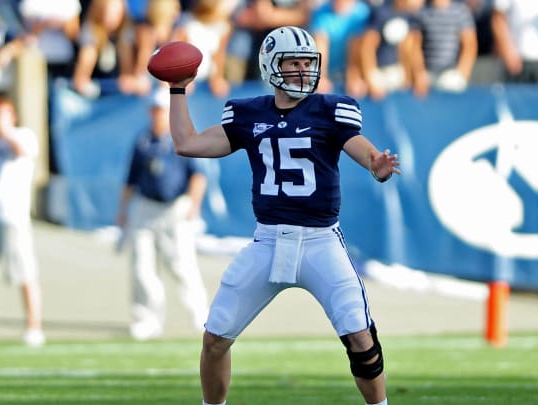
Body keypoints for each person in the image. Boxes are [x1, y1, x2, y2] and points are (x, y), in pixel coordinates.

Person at [166, 26, 400, 405]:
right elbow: (187, 143)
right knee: (214, 339)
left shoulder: (330, 110)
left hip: (321, 241)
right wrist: (177, 90)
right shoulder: (248, 113)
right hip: (268, 241)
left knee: (360, 337)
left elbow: (362, 150)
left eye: (308, 62)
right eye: (294, 62)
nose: (303, 70)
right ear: (270, 65)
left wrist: (377, 164)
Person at [116, 89, 209, 341]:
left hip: (174, 208)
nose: (157, 115)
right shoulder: (142, 141)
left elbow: (198, 174)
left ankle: (201, 318)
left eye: (161, 110)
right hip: (145, 208)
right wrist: (123, 210)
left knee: (182, 265)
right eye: (154, 110)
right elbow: (130, 179)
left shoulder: (182, 140)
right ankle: (146, 319)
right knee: (141, 267)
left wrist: (194, 205)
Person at [0, 94, 45, 347]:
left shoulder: (24, 136)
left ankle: (34, 327)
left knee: (24, 273)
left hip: (13, 217)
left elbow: (20, 151)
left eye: (2, 112)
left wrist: (4, 130)